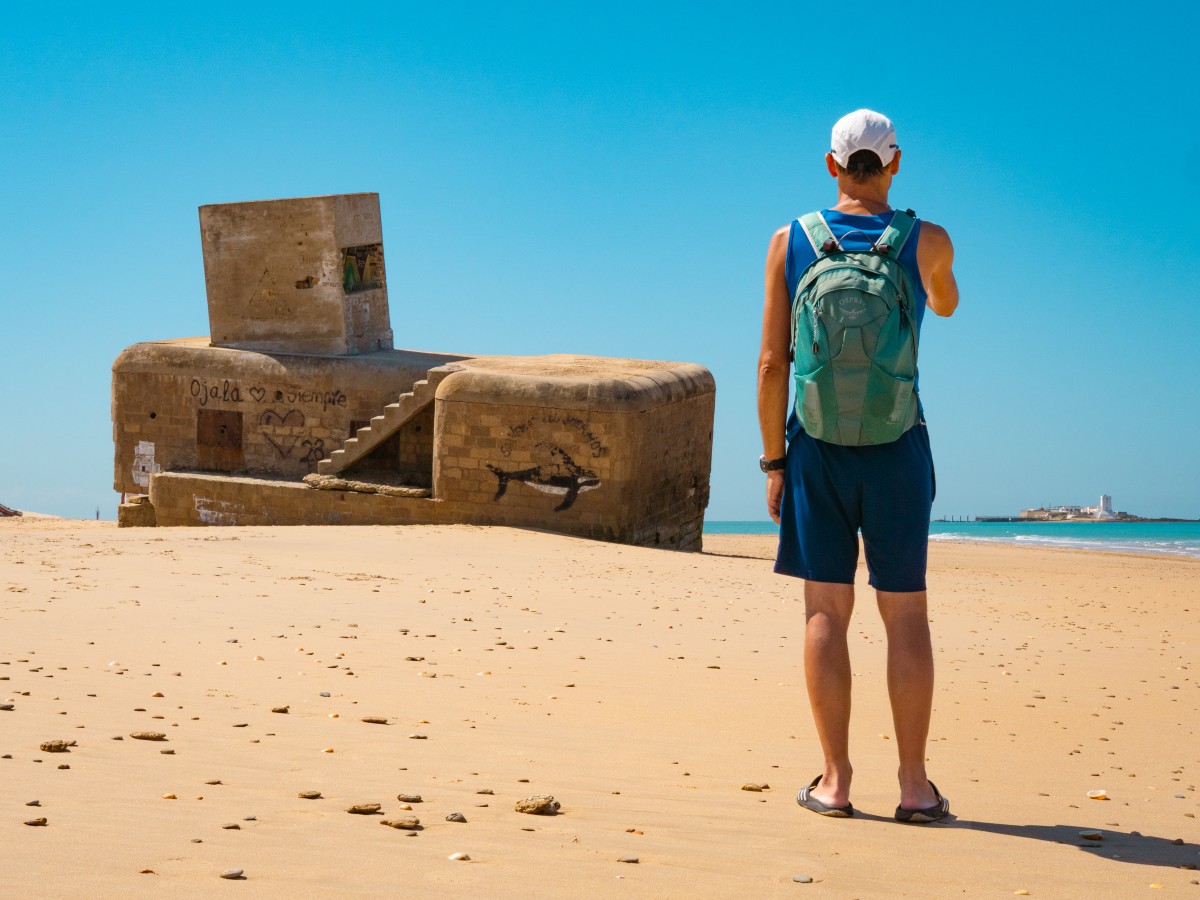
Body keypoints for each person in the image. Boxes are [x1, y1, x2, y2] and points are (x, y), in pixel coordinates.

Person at [756, 109, 959, 823]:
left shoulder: (791, 241)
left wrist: (775, 463)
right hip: (898, 445)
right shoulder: (926, 238)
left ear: (832, 165)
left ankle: (836, 782)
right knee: (904, 616)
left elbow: (771, 362)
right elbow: (948, 303)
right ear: (895, 162)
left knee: (824, 611)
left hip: (817, 448)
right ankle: (913, 786)